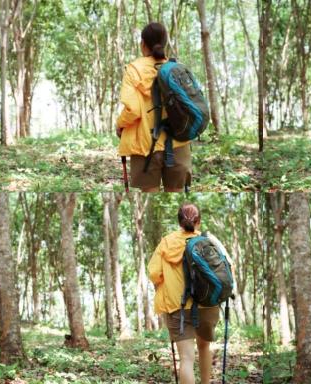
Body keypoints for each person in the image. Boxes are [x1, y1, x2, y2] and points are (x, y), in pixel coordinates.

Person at [116, 22, 192, 192]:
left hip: (146, 147)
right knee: (176, 194)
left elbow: (132, 110)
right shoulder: (176, 68)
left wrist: (119, 124)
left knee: (150, 193)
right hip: (179, 145)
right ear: (164, 42)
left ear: (143, 44)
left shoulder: (134, 70)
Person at [148, 203, 218, 384]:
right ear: (198, 221)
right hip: (207, 304)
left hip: (177, 306)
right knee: (204, 347)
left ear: (179, 221)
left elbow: (154, 274)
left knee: (186, 359)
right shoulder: (208, 241)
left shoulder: (167, 242)